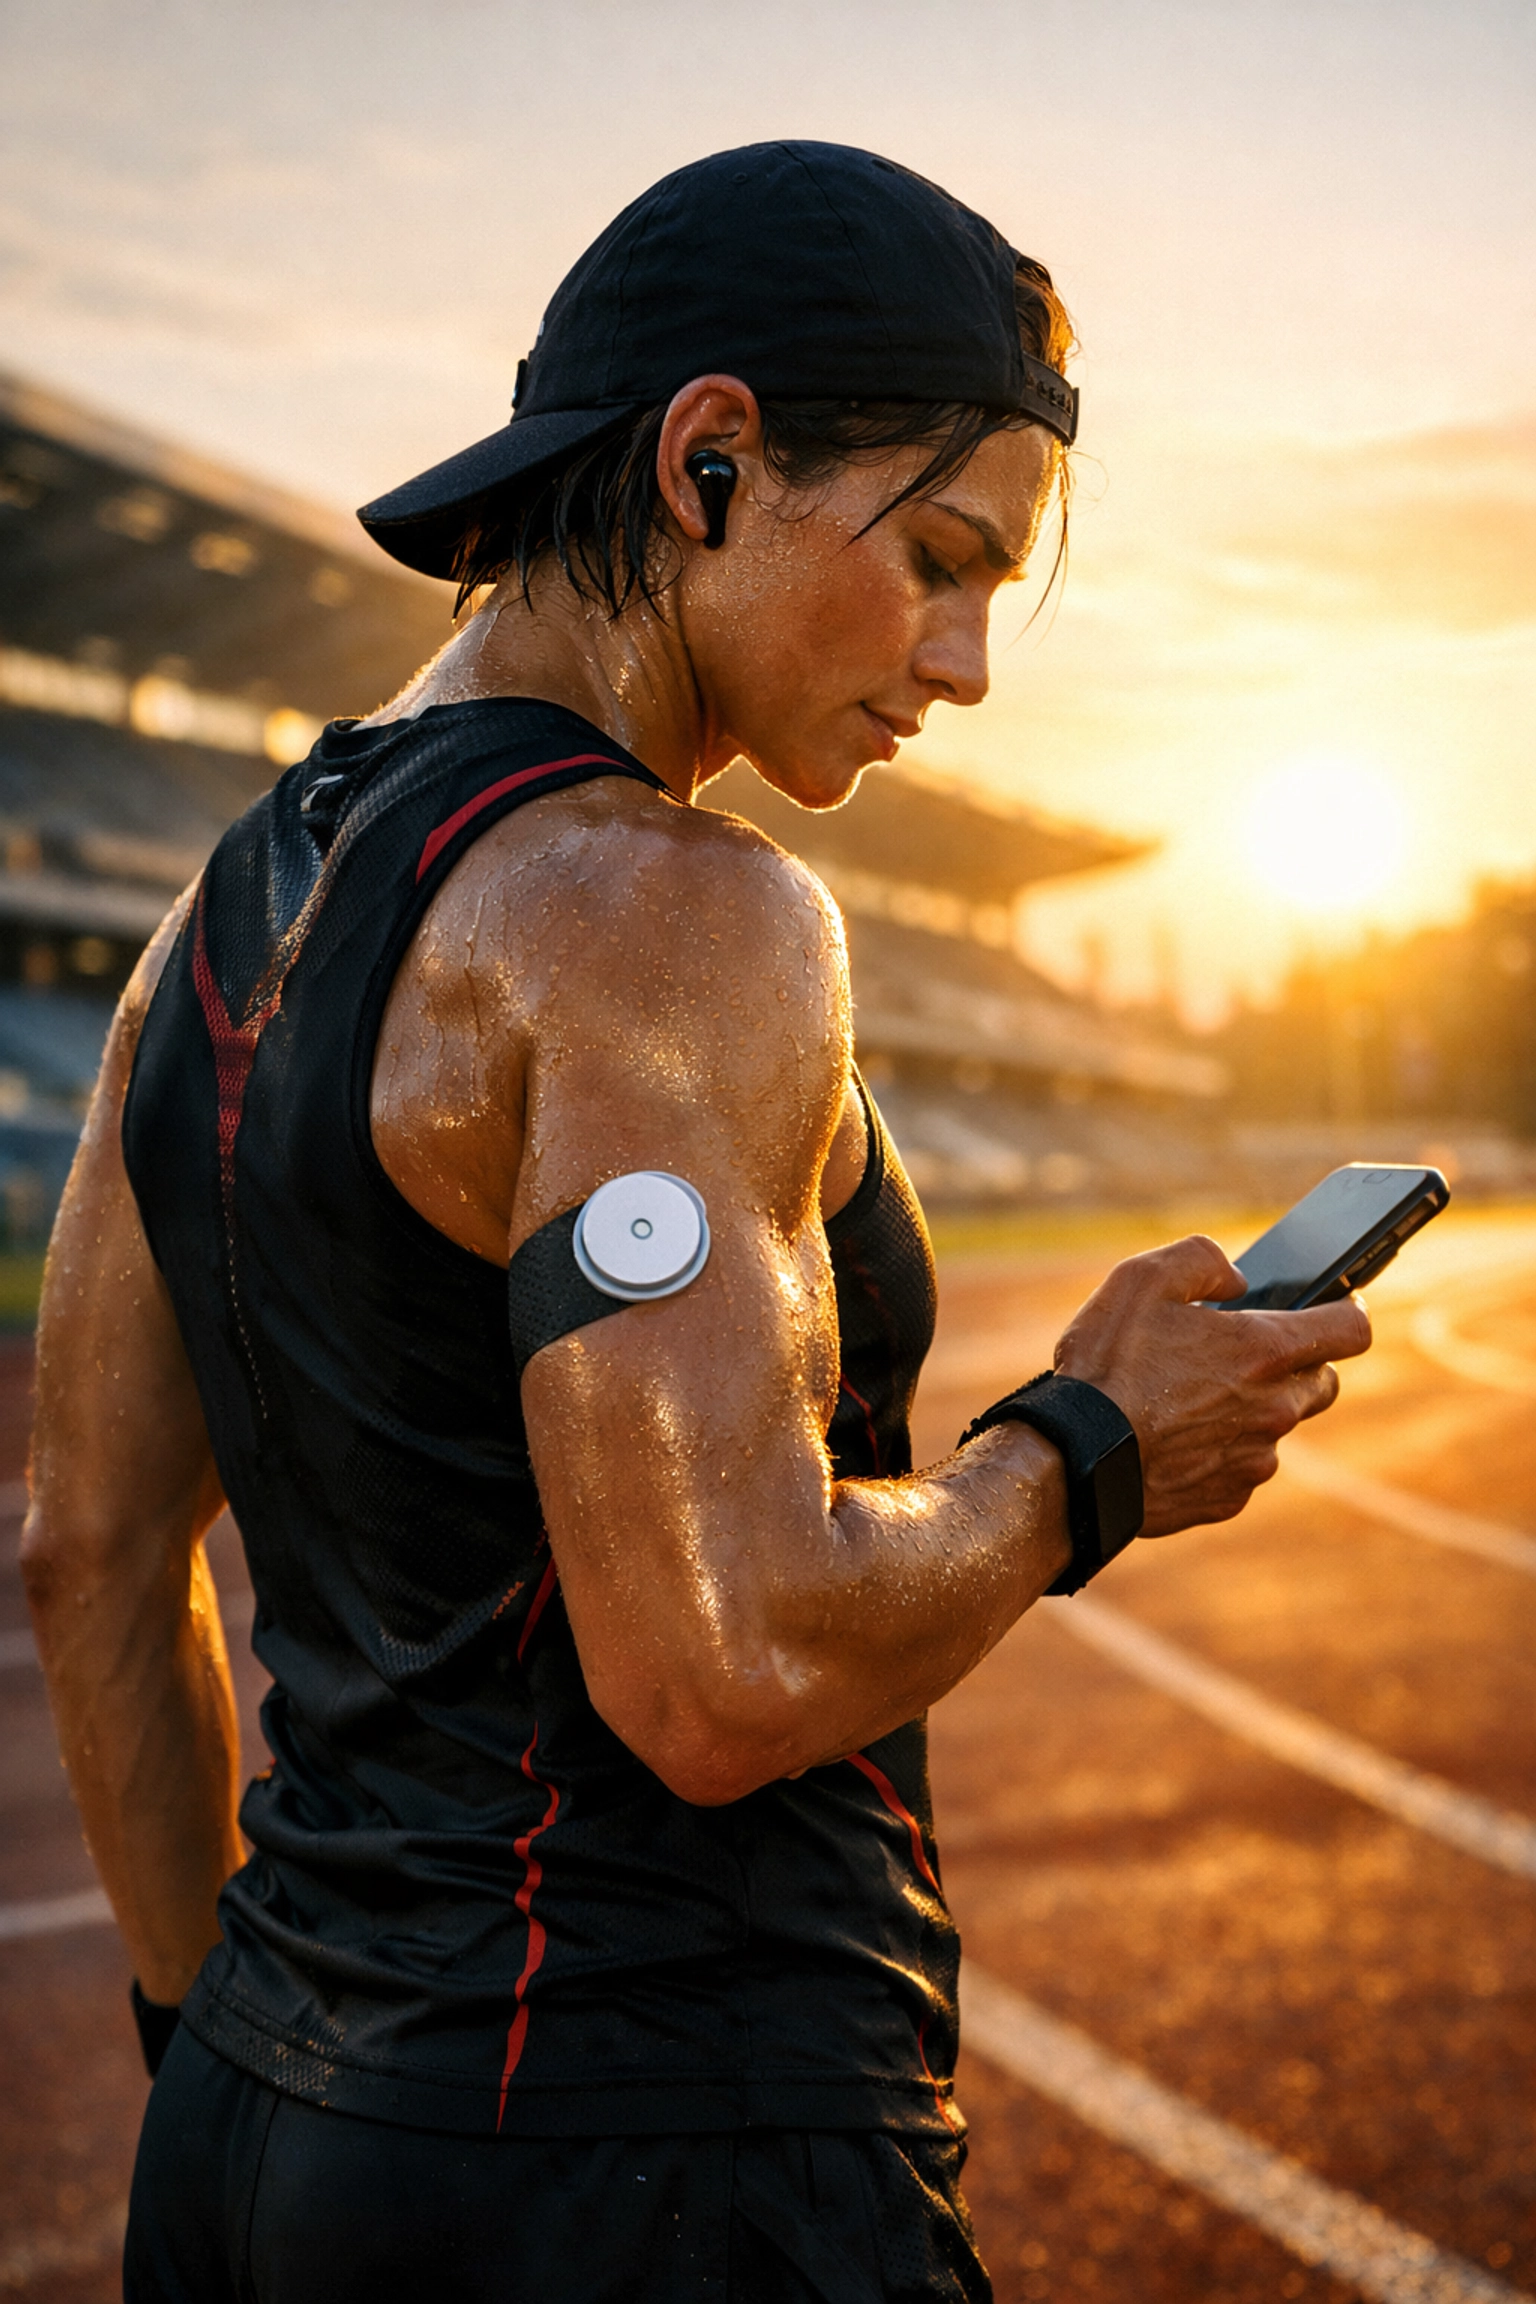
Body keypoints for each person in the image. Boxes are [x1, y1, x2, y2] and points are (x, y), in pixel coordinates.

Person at [23, 142, 1369, 2304]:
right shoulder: (668, 909)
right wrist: (1089, 1450)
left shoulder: (206, 920)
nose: (967, 662)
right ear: (711, 461)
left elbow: (86, 1555)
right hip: (662, 2161)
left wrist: (226, 2056)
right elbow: (722, 1669)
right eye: (941, 557)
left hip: (257, 2139)